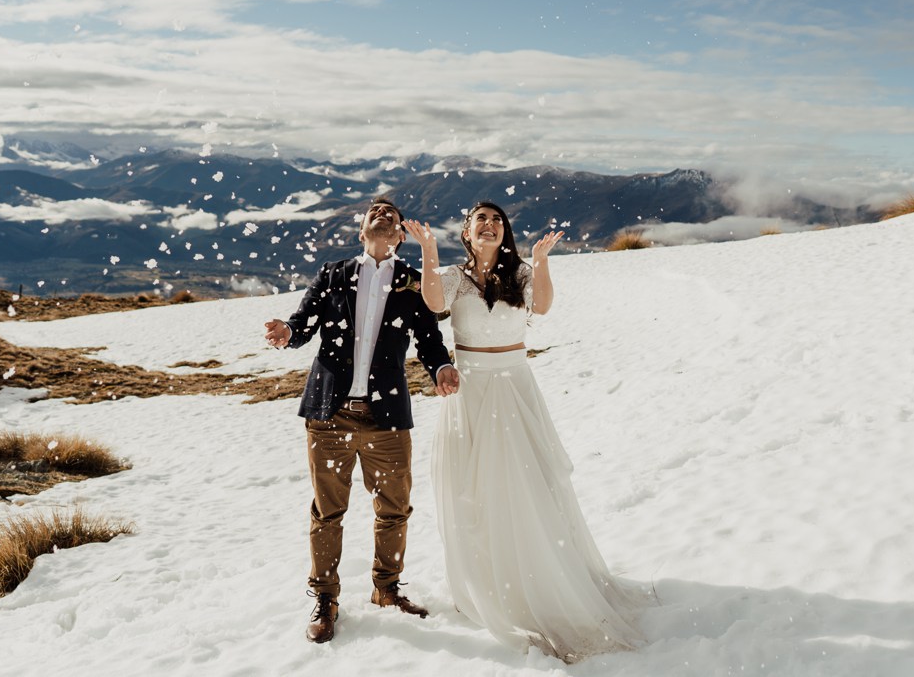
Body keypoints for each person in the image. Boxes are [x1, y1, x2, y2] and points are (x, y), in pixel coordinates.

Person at [402, 201, 648, 663]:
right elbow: (433, 302)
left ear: (504, 232)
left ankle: (536, 574)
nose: (491, 226)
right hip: (471, 389)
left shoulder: (519, 274)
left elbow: (546, 305)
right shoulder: (455, 276)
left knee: (526, 484)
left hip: (514, 387)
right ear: (468, 233)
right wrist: (429, 251)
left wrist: (542, 262)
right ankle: (486, 580)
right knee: (472, 489)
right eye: (482, 220)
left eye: (497, 221)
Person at [265, 196, 460, 645]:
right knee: (327, 512)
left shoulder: (412, 284)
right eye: (375, 211)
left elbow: (429, 341)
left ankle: (386, 590)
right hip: (329, 413)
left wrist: (441, 368)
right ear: (362, 231)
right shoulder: (334, 274)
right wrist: (287, 332)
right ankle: (325, 599)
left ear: (400, 236)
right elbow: (304, 323)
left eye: (391, 214)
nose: (383, 214)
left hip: (386, 416)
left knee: (394, 508)